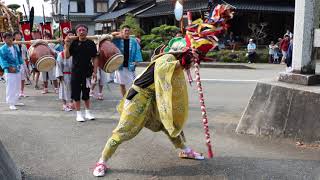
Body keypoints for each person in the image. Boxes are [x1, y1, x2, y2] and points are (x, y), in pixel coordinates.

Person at [92, 37, 205, 177]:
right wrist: (182, 62)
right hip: (137, 98)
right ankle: (102, 161)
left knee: (167, 124)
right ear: (180, 54)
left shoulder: (174, 62)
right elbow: (162, 70)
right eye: (186, 55)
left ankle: (186, 150)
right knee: (122, 132)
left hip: (152, 99)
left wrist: (188, 61)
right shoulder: (167, 58)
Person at [64, 24, 98, 122]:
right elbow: (66, 56)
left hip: (87, 72)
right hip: (75, 72)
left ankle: (88, 112)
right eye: (79, 30)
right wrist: (66, 45)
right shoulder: (73, 43)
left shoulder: (91, 43)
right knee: (76, 93)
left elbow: (95, 57)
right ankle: (78, 113)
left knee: (86, 92)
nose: (82, 32)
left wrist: (95, 72)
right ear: (77, 32)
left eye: (83, 30)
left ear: (87, 32)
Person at [112, 25, 143, 97]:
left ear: (130, 32)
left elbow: (137, 50)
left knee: (133, 83)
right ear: (122, 31)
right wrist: (119, 33)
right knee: (122, 84)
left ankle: (130, 97)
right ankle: (124, 98)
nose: (127, 32)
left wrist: (137, 61)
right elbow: (112, 35)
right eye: (125, 30)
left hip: (130, 65)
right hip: (120, 65)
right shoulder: (117, 40)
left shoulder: (133, 41)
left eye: (128, 30)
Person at [0, 32, 24, 110]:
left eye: (10, 38)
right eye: (7, 38)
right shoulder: (2, 49)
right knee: (11, 87)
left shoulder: (15, 47)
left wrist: (21, 64)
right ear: (4, 39)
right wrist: (8, 67)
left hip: (17, 68)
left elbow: (19, 56)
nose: (10, 39)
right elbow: (2, 60)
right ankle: (11, 103)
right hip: (9, 71)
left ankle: (16, 100)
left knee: (17, 85)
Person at [56, 30, 75, 111]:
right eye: (66, 43)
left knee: (72, 89)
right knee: (63, 89)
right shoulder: (61, 54)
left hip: (73, 74)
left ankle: (71, 102)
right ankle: (64, 104)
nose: (67, 44)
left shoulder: (74, 53)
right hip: (64, 74)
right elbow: (58, 65)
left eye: (69, 43)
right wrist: (60, 76)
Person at [13, 31, 30, 97]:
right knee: (16, 78)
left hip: (23, 62)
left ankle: (21, 92)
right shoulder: (12, 44)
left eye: (19, 35)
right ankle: (16, 92)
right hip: (15, 63)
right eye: (17, 35)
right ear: (14, 36)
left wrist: (27, 61)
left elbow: (26, 54)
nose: (18, 36)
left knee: (22, 78)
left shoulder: (23, 44)